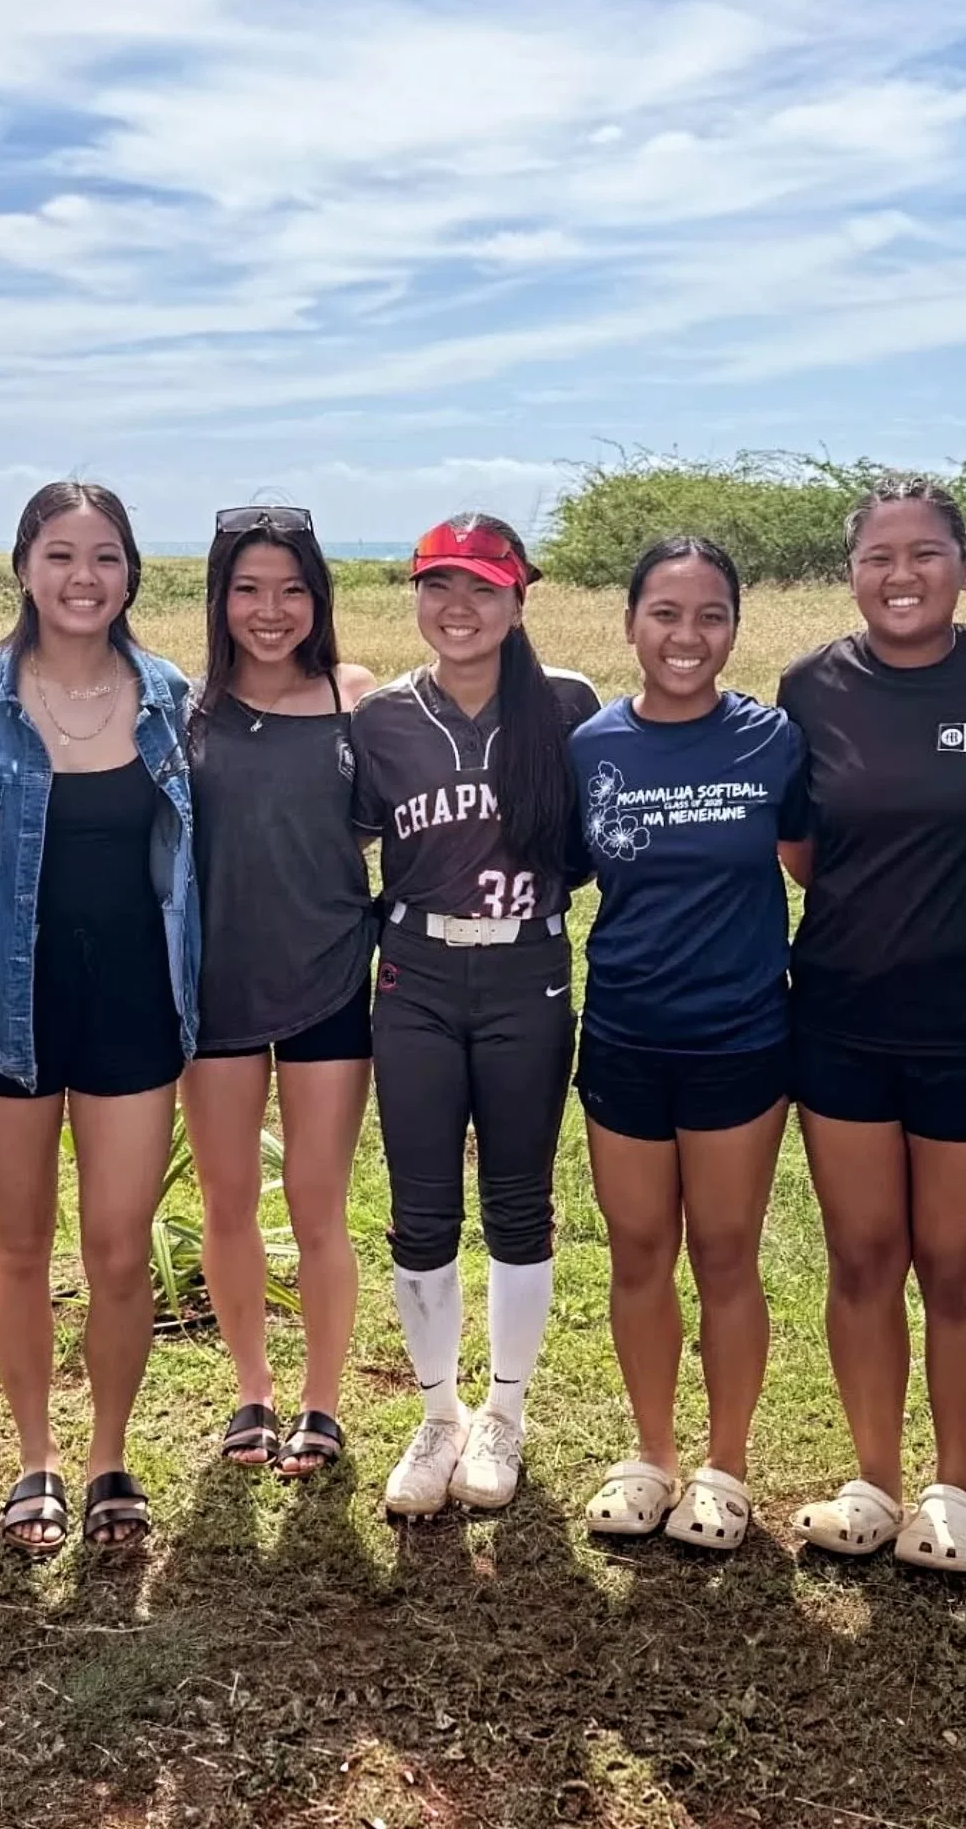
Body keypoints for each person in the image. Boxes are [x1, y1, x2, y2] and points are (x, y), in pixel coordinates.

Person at [777, 476, 966, 1571]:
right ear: (852, 572)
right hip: (843, 1018)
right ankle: (876, 1481)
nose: (901, 575)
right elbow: (803, 851)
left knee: (958, 1264)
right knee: (861, 1255)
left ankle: (957, 1491)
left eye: (924, 553)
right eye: (878, 556)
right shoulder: (811, 688)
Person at [0, 482, 199, 1556]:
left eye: (104, 557)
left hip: (135, 1006)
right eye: (60, 555)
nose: (83, 577)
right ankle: (35, 1460)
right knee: (17, 1245)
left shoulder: (166, 695)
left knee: (120, 1251)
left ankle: (107, 1457)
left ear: (131, 572)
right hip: (7, 1008)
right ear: (22, 568)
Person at [350, 514, 599, 1517]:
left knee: (516, 1200)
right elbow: (347, 842)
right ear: (414, 596)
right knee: (419, 1206)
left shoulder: (568, 705)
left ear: (517, 601)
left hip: (526, 970)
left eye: (482, 589)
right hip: (413, 970)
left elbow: (587, 848)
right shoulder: (381, 720)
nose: (458, 608)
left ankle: (506, 1411)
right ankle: (438, 1413)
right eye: (437, 586)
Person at [572, 538, 805, 1551]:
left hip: (741, 1038)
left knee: (724, 1253)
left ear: (734, 629)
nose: (687, 635)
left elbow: (809, 861)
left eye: (711, 615)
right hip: (623, 1030)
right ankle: (653, 1453)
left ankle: (727, 1464)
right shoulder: (590, 747)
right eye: (665, 613)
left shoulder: (774, 741)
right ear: (630, 624)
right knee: (636, 1252)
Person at [184, 506, 376, 1476]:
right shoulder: (183, 711)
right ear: (219, 598)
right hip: (213, 994)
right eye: (249, 588)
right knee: (227, 1200)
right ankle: (251, 1392)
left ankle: (322, 1402)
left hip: (330, 983)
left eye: (292, 588)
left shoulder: (354, 700)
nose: (271, 610)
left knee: (316, 1201)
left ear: (320, 598)